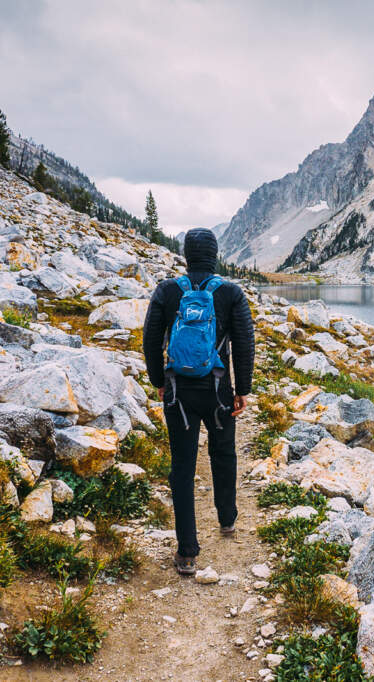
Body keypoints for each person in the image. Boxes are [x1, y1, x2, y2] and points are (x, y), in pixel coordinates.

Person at [142, 228, 254, 576]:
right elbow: (244, 342)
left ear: (186, 255)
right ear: (215, 255)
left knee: (182, 466)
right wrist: (242, 389)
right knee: (223, 452)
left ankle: (187, 553)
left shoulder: (167, 290)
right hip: (219, 389)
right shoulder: (231, 293)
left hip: (178, 392)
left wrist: (159, 382)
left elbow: (149, 339)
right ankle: (227, 518)